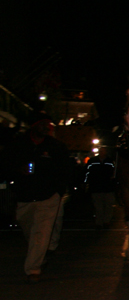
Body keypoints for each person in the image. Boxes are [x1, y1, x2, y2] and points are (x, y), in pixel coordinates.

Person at [2, 112, 70, 283]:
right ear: (34, 126)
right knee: (30, 231)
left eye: (48, 125)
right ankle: (38, 255)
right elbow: (5, 165)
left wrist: (59, 191)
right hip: (24, 197)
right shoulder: (18, 145)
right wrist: (18, 171)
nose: (46, 128)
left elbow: (65, 170)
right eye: (43, 124)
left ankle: (33, 269)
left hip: (47, 198)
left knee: (41, 233)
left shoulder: (56, 147)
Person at [85, 146, 116, 229]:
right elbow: (87, 172)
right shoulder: (92, 161)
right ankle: (99, 222)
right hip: (96, 187)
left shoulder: (110, 161)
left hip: (108, 187)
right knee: (98, 206)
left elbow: (114, 174)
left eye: (103, 151)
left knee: (108, 205)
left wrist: (114, 183)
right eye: (101, 151)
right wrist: (86, 182)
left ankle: (106, 221)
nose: (102, 153)